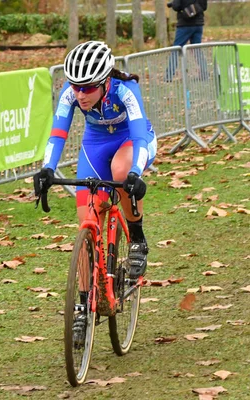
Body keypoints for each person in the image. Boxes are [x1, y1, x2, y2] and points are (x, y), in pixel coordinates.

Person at [33, 41, 157, 283]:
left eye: (88, 88)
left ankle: (137, 239)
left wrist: (136, 172)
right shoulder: (70, 95)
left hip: (132, 141)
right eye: (76, 86)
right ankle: (82, 306)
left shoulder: (125, 90)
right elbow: (57, 134)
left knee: (120, 172)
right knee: (87, 223)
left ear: (104, 82)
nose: (80, 94)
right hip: (95, 147)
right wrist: (47, 168)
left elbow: (140, 135)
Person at [165, 0, 208, 81]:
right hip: (198, 24)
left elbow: (177, 6)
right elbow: (204, 7)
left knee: (176, 49)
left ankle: (169, 75)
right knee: (197, 49)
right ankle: (204, 73)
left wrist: (173, 4)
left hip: (185, 25)